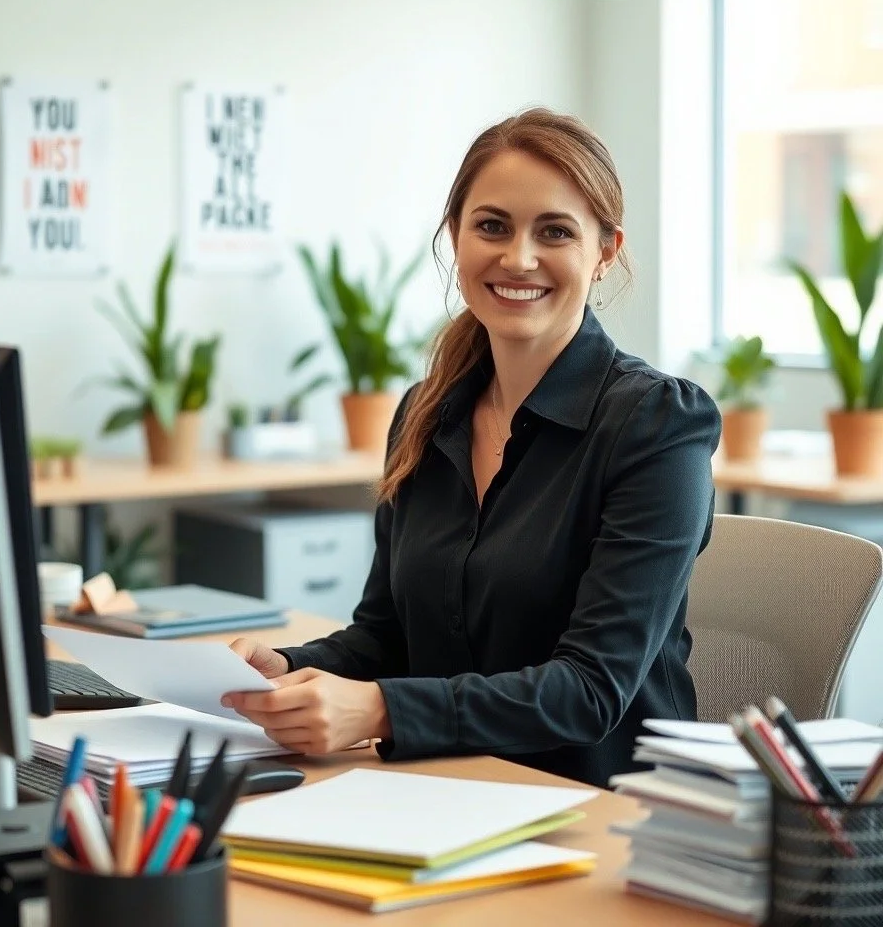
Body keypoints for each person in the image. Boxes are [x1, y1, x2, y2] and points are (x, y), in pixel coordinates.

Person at [221, 108, 720, 788]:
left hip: (608, 816)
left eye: (555, 232)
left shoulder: (657, 426)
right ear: (455, 237)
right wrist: (289, 667)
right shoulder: (427, 414)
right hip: (451, 788)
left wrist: (379, 709)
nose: (518, 258)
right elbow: (388, 636)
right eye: (492, 226)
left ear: (604, 252)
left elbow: (591, 690)